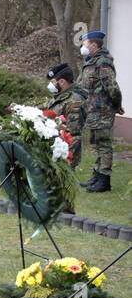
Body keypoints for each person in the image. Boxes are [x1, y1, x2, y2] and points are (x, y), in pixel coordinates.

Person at [74, 29, 123, 192]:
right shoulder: (91, 61)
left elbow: (112, 88)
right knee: (96, 144)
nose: (83, 46)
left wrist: (117, 105)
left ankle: (104, 181)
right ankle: (97, 175)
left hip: (102, 111)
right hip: (92, 111)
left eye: (85, 43)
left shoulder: (103, 62)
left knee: (103, 144)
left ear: (94, 45)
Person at [44, 62, 86, 165]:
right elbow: (47, 108)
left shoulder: (74, 101)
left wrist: (67, 158)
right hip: (54, 147)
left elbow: (73, 133)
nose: (50, 85)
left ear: (62, 82)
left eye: (53, 82)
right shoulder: (61, 96)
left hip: (63, 152)